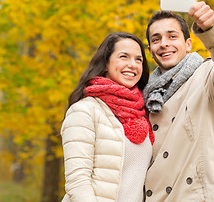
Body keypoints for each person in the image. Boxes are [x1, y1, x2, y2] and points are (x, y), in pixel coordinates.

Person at [143, 0, 214, 201]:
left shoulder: (208, 75)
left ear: (188, 44)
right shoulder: (145, 94)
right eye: (156, 39)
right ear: (150, 50)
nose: (164, 43)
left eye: (172, 36)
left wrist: (211, 29)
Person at [61, 32, 154, 202]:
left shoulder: (145, 114)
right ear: (105, 64)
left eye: (138, 59)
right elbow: (78, 182)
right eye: (123, 57)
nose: (132, 65)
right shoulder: (85, 111)